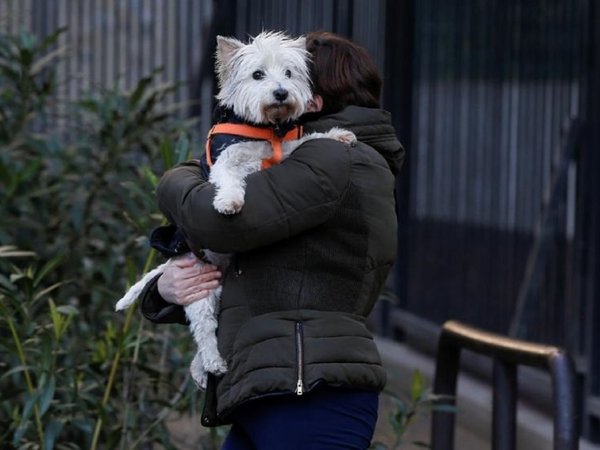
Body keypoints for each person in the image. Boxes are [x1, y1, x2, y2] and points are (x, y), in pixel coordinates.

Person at [139, 30, 405, 449]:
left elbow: (217, 221)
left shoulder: (335, 158)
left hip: (308, 392)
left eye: (294, 74)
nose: (279, 89)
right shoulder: (321, 159)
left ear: (315, 97)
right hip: (277, 384)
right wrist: (166, 289)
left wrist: (174, 177)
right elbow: (263, 271)